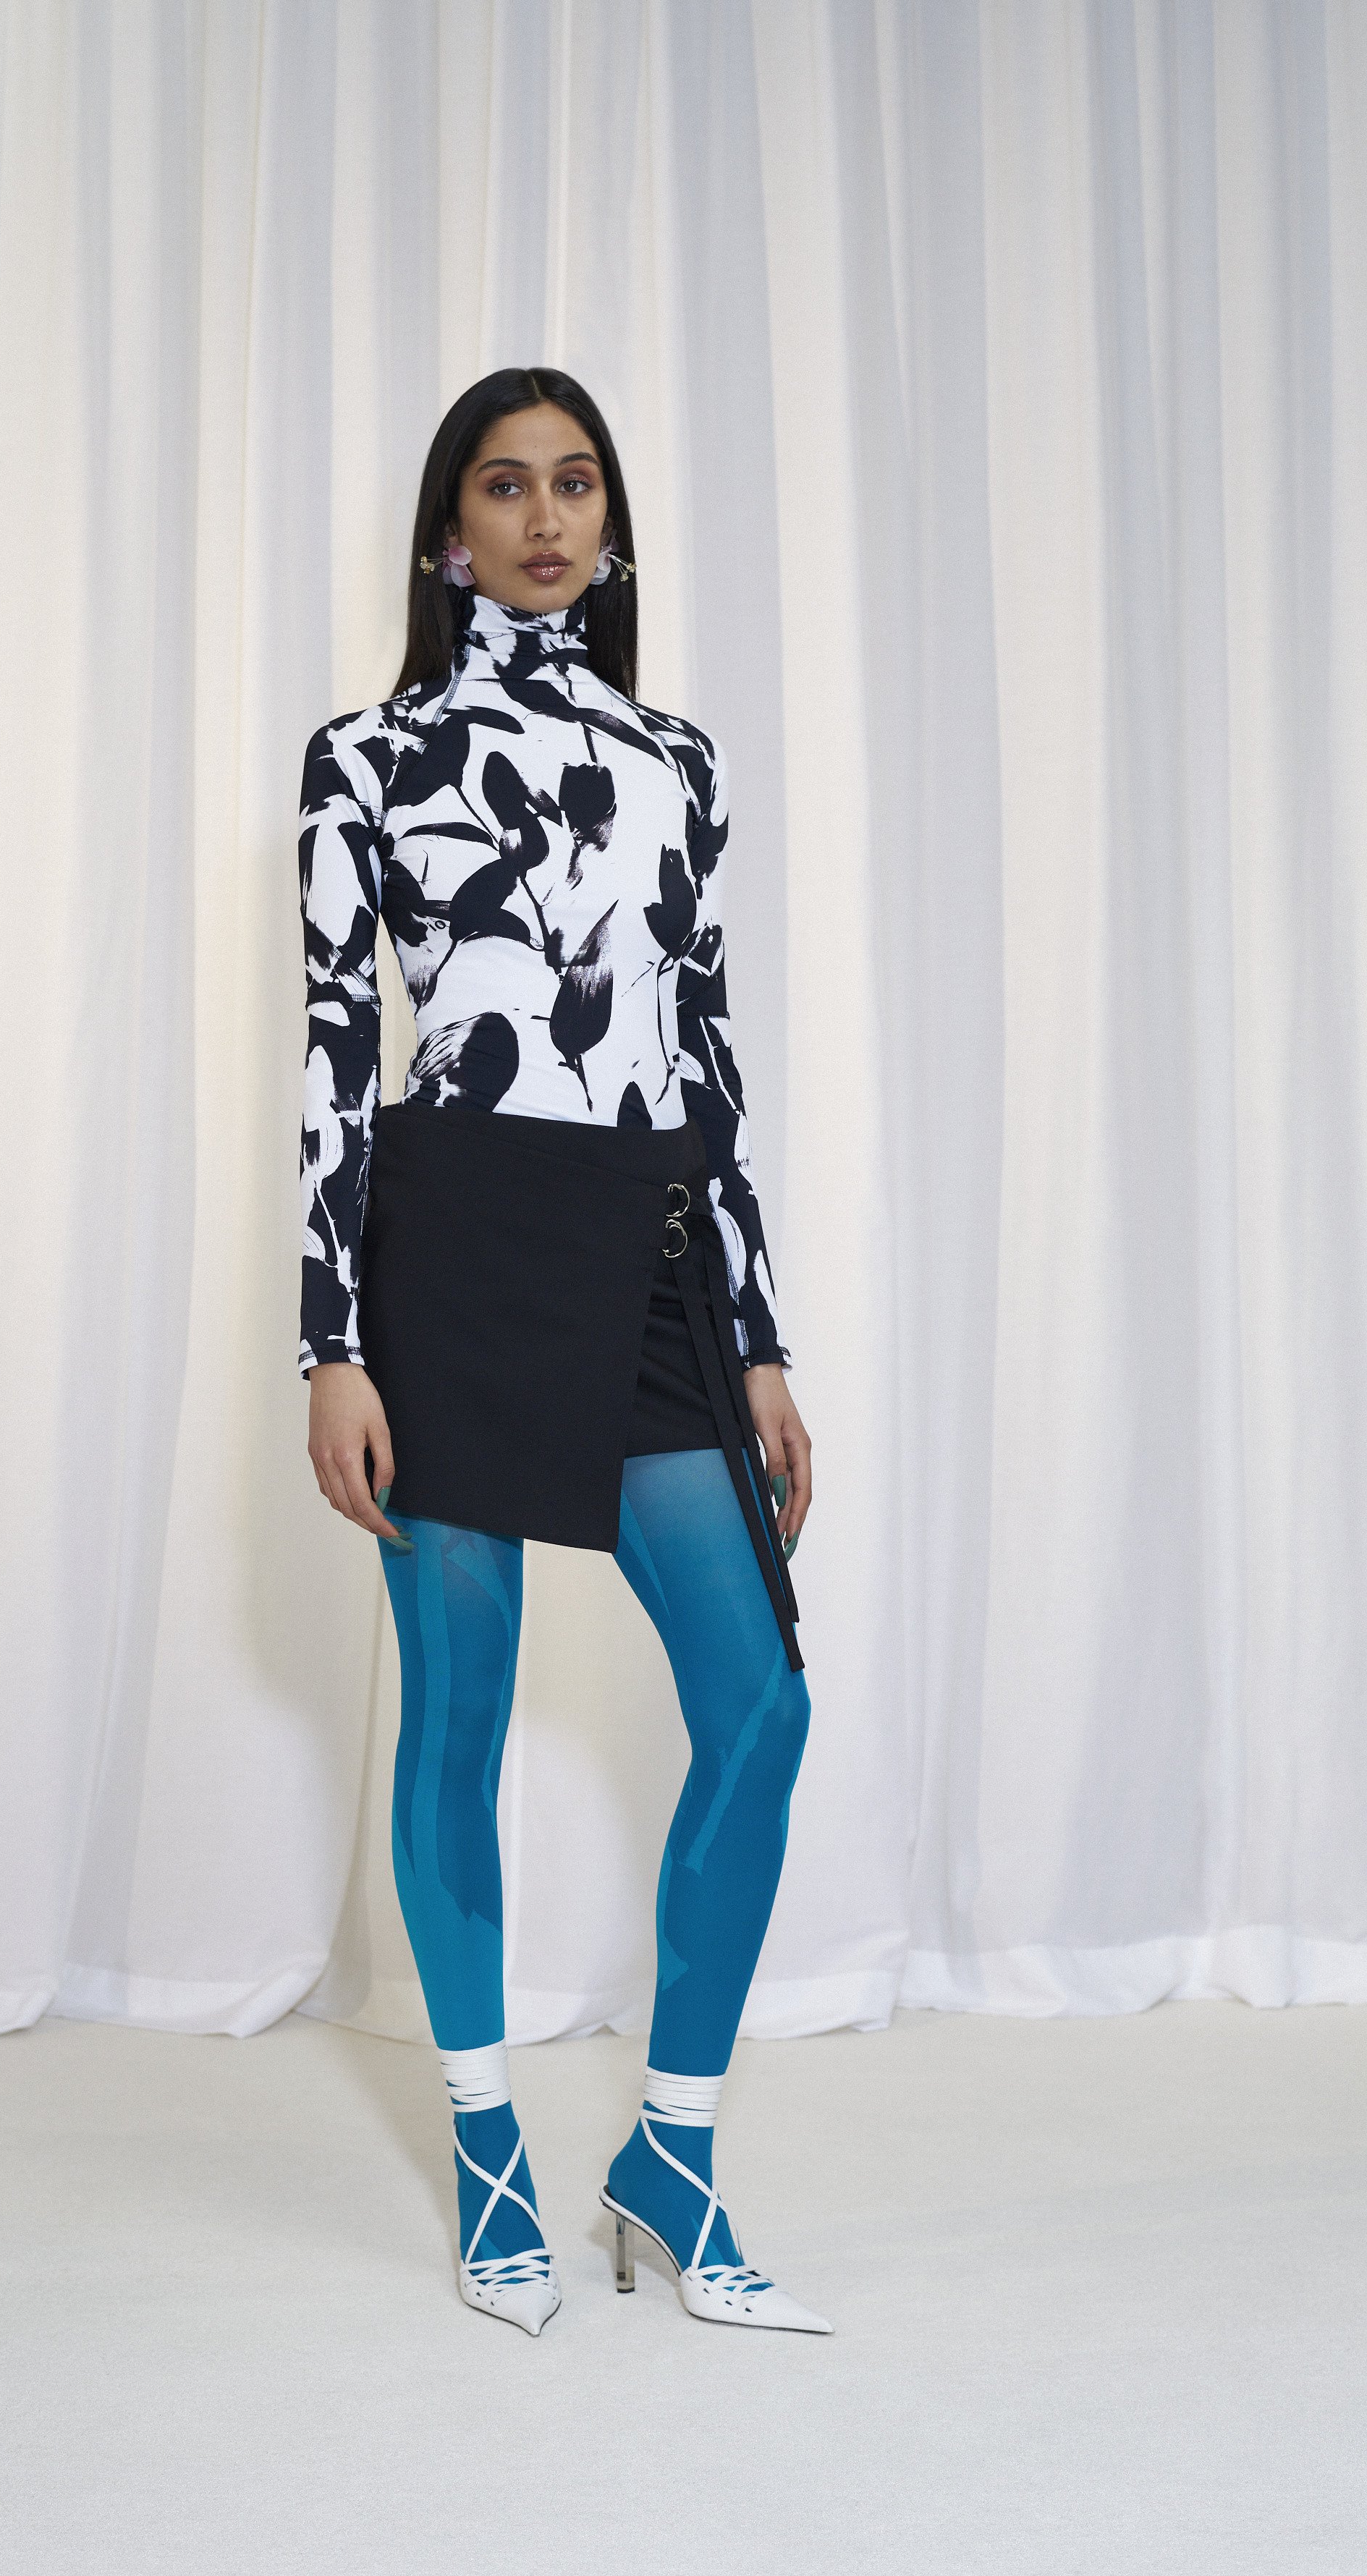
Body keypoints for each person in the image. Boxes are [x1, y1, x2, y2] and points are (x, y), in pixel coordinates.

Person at [297, 366, 828, 2339]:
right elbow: (337, 1054)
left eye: (575, 483)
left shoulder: (677, 759)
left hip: (652, 1256)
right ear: (451, 533)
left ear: (611, 520)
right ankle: (486, 2145)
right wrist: (329, 1342)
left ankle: (673, 2155)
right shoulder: (366, 757)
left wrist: (756, 1339)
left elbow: (704, 1058)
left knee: (763, 1706)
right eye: (505, 486)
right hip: (449, 1263)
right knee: (457, 1715)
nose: (544, 517)